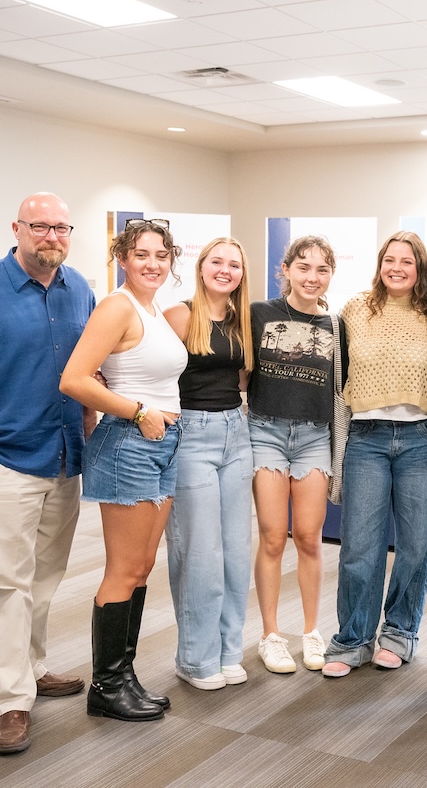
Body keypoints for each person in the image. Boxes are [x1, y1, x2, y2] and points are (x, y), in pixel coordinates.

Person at [60, 219, 187, 722]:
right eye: (141, 254)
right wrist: (137, 411)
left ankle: (123, 676)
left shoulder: (153, 310)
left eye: (161, 255)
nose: (152, 263)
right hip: (130, 442)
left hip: (163, 443)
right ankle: (107, 686)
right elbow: (73, 379)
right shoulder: (118, 305)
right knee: (124, 569)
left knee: (142, 567)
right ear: (123, 259)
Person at [0, 194, 94, 755]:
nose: (52, 236)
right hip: (11, 457)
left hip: (66, 457)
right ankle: (10, 699)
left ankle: (30, 669)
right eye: (41, 226)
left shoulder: (79, 287)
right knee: (8, 583)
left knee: (44, 578)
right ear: (17, 229)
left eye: (62, 227)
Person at [322, 231, 427, 677]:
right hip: (366, 439)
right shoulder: (355, 309)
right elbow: (338, 377)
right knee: (359, 548)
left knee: (413, 546)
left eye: (407, 262)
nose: (397, 268)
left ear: (419, 268)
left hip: (419, 440)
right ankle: (353, 638)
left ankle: (399, 634)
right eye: (390, 259)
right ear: (379, 263)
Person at [249, 235, 346, 674]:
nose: (312, 276)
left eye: (322, 269)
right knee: (272, 536)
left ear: (330, 276)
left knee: (308, 537)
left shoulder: (337, 327)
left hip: (313, 437)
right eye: (303, 267)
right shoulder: (258, 315)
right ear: (285, 269)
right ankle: (271, 634)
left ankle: (311, 631)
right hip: (265, 431)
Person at [163, 237, 254, 691]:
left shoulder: (242, 321)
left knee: (236, 550)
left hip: (237, 433)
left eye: (233, 264)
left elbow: (240, 377)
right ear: (201, 267)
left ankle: (227, 651)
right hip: (192, 436)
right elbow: (145, 366)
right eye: (216, 261)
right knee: (200, 552)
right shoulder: (180, 315)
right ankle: (195, 659)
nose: (225, 270)